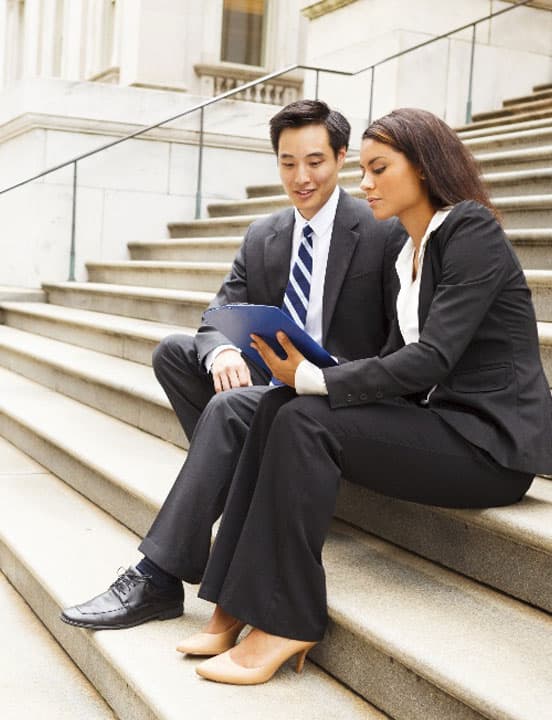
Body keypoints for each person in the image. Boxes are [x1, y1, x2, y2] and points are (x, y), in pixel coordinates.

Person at [176, 107, 551, 686]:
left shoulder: (469, 229)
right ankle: (231, 601)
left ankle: (288, 619)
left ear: (423, 168)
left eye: (379, 169)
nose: (365, 184)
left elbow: (431, 358)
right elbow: (394, 358)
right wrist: (304, 374)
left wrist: (317, 379)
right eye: (365, 170)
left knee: (305, 417)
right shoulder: (408, 252)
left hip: (489, 446)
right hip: (439, 423)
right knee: (278, 407)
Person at [60, 100, 402, 632]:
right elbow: (218, 314)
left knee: (230, 407)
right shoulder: (264, 234)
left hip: (333, 394)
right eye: (287, 163)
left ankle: (158, 576)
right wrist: (220, 349)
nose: (301, 177)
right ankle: (257, 481)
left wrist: (324, 377)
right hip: (272, 382)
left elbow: (395, 346)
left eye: (314, 161)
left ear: (340, 158)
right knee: (175, 353)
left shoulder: (382, 232)